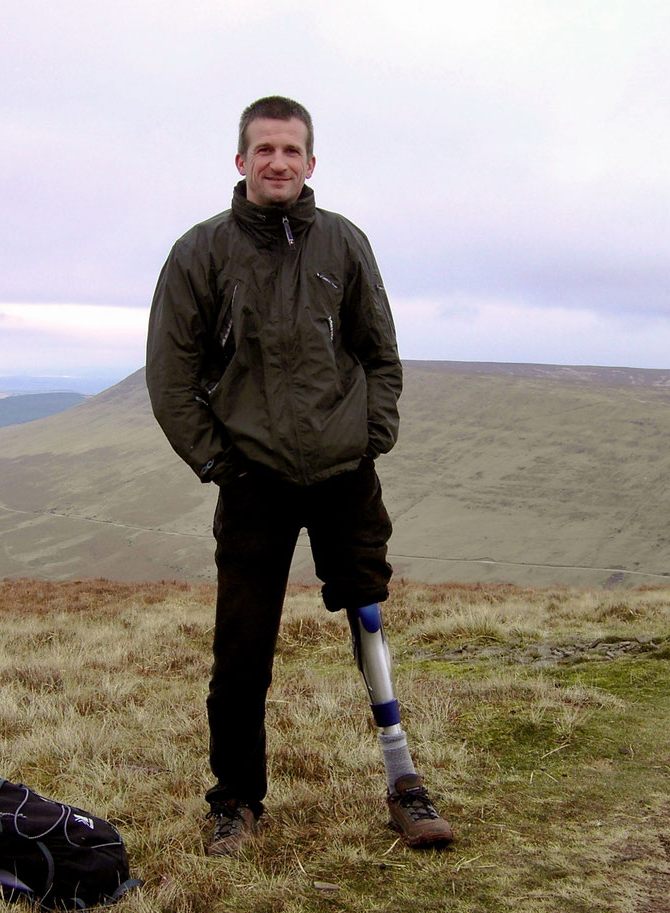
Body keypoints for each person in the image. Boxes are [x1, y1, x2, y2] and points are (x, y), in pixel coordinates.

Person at [146, 95, 453, 856]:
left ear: (311, 163)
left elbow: (380, 354)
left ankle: (404, 781)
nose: (278, 162)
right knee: (242, 646)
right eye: (264, 150)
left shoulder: (344, 244)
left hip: (345, 471)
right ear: (241, 160)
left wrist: (371, 435)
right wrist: (219, 463)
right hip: (254, 480)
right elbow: (170, 374)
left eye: (291, 150)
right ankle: (236, 801)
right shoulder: (201, 254)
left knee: (369, 616)